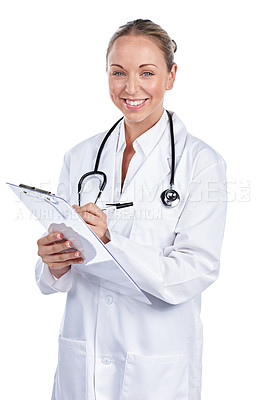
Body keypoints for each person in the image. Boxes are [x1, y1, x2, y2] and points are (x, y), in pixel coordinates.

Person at [36, 19, 227, 400]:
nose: (131, 87)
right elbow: (52, 276)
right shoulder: (80, 156)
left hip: (155, 365)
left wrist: (110, 241)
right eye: (118, 72)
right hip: (83, 360)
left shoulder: (201, 163)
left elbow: (196, 269)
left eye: (147, 73)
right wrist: (53, 263)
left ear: (171, 76)